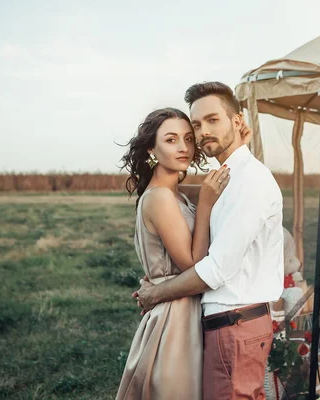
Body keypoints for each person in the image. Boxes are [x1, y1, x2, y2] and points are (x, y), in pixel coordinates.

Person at [134, 82, 284, 400]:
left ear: (237, 121)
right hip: (223, 324)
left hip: (235, 323)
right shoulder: (225, 179)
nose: (202, 133)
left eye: (213, 120)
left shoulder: (250, 181)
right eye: (198, 125)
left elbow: (214, 270)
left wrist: (154, 294)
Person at [116, 107, 243, 399]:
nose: (183, 147)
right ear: (152, 148)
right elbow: (193, 264)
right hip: (175, 318)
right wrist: (207, 205)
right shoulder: (160, 197)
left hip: (182, 307)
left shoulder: (176, 193)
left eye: (188, 138)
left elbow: (226, 184)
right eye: (171, 140)